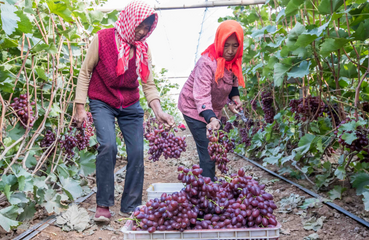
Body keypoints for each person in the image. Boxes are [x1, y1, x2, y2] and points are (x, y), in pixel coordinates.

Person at [74, 0, 174, 222]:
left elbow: (148, 84)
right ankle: (103, 205)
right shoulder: (103, 39)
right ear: (130, 20)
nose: (142, 32)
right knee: (108, 145)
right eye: (140, 26)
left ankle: (130, 205)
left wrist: (158, 111)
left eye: (147, 28)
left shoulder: (143, 49)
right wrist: (80, 106)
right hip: (102, 100)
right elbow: (85, 71)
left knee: (137, 152)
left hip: (130, 104)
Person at [178, 20, 245, 180]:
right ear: (219, 41)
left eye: (234, 46)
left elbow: (232, 81)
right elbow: (200, 95)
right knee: (208, 151)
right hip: (193, 108)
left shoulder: (233, 61)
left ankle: (209, 187)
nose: (230, 50)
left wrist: (234, 98)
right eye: (226, 45)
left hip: (212, 110)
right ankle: (207, 194)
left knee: (214, 149)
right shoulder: (207, 63)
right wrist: (211, 118)